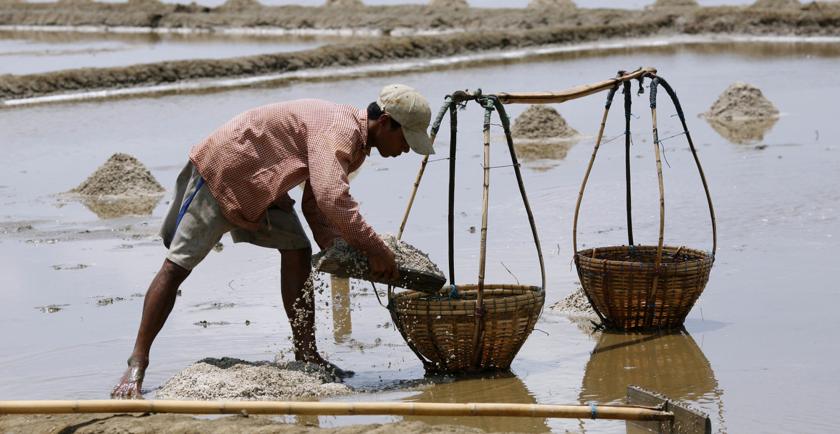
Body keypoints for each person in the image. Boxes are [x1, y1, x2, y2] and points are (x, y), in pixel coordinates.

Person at [111, 84, 434, 399]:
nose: (406, 150)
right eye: (406, 140)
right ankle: (138, 362)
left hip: (265, 188)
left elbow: (315, 204)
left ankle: (307, 355)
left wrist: (338, 250)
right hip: (225, 171)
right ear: (387, 122)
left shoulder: (357, 144)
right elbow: (331, 198)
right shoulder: (340, 131)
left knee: (297, 248)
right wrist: (375, 249)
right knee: (177, 267)